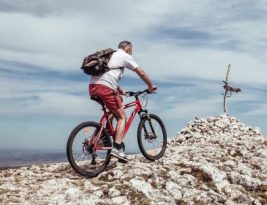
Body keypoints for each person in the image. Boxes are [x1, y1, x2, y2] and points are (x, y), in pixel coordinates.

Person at [89, 40, 157, 162]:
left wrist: (120, 90)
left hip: (93, 87)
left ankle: (103, 136)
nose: (131, 53)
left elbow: (106, 76)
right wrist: (151, 86)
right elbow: (140, 72)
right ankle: (117, 147)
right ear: (128, 49)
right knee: (122, 117)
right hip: (106, 88)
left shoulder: (110, 55)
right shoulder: (124, 56)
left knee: (117, 102)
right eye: (132, 51)